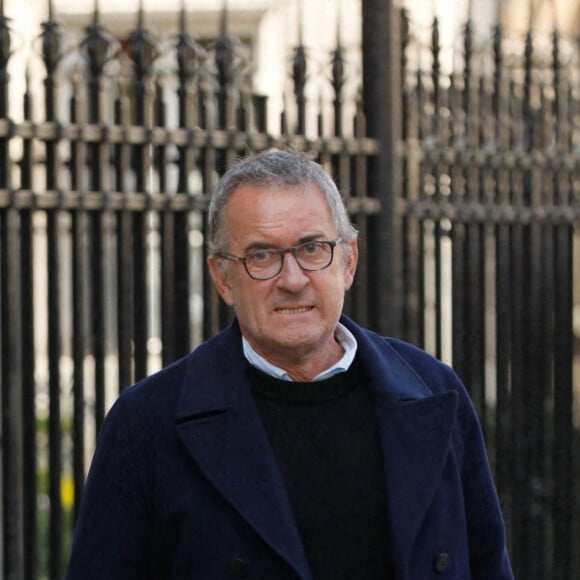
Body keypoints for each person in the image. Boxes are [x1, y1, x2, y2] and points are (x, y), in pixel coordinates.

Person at [65, 150, 514, 580]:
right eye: (261, 256)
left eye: (313, 248)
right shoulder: (147, 424)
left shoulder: (435, 392)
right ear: (223, 277)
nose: (293, 280)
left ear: (349, 261)